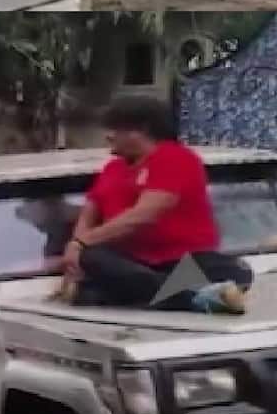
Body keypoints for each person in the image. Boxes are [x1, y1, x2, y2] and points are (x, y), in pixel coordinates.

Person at [59, 95, 253, 314]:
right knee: (94, 258)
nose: (109, 137)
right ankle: (193, 298)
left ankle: (151, 296)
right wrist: (76, 251)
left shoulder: (175, 157)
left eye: (116, 129)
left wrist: (82, 242)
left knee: (236, 270)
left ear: (141, 129)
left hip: (181, 262)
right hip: (132, 266)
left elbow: (144, 215)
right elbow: (88, 216)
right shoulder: (112, 169)